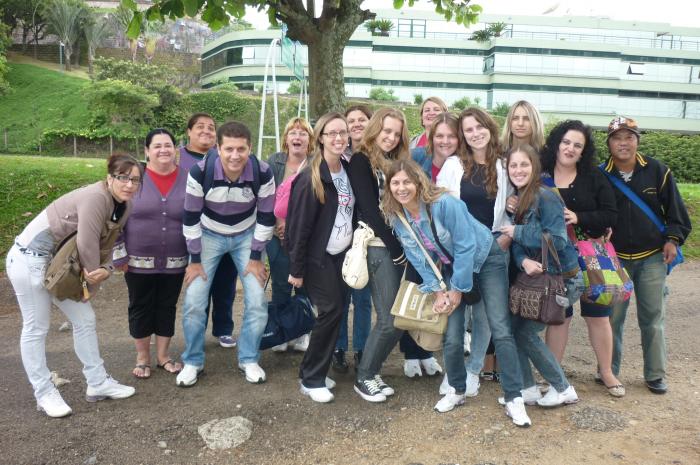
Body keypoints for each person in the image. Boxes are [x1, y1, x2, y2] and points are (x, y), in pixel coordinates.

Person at [7, 153, 140, 418]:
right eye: (122, 177)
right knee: (36, 327)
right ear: (109, 177)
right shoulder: (96, 197)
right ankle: (44, 392)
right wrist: (92, 276)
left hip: (61, 265)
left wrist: (103, 271)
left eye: (135, 180)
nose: (129, 184)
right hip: (29, 259)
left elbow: (107, 244)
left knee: (85, 320)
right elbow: (87, 242)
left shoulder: (124, 206)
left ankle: (97, 382)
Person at [382, 159, 491, 413]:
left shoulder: (444, 204)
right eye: (395, 183)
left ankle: (482, 376)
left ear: (418, 181)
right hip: (451, 266)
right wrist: (439, 291)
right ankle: (456, 387)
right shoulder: (397, 215)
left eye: (406, 181)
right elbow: (417, 256)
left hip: (483, 257)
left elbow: (466, 245)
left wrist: (457, 290)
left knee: (490, 320)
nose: (401, 188)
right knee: (452, 332)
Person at [176, 121, 275, 388]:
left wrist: (256, 257)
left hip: (247, 236)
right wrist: (194, 261)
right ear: (218, 148)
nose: (235, 156)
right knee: (195, 301)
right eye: (229, 149)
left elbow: (267, 218)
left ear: (250, 148)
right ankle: (193, 361)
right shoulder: (200, 171)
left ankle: (249, 358)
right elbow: (190, 218)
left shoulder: (262, 172)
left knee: (257, 300)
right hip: (208, 235)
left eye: (241, 149)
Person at [602, 116, 691, 394]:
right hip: (614, 259)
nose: (623, 143)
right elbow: (593, 211)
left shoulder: (657, 170)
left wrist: (673, 240)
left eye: (629, 137)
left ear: (637, 140)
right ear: (609, 143)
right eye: (617, 138)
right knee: (611, 319)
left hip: (652, 256)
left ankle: (654, 374)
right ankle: (608, 370)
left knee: (652, 318)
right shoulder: (599, 173)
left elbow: (676, 214)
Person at [540, 120, 624, 397]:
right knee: (559, 316)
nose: (570, 148)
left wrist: (580, 218)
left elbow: (611, 214)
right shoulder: (540, 174)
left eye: (577, 145)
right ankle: (554, 374)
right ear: (556, 143)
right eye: (566, 142)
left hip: (590, 256)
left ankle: (607, 372)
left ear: (583, 151)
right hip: (555, 258)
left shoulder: (594, 177)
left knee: (599, 315)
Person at [436, 108, 515, 399]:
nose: (475, 133)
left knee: (484, 317)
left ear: (490, 128)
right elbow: (439, 206)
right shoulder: (454, 164)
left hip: (493, 247)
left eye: (479, 127)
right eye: (468, 130)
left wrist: (506, 235)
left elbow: (517, 204)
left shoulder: (505, 165)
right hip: (459, 249)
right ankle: (453, 371)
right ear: (463, 136)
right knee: (456, 314)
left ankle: (473, 370)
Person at [499, 144, 580, 408]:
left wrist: (516, 232)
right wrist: (522, 261)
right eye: (513, 165)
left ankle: (563, 387)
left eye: (524, 164)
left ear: (534, 167)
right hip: (538, 278)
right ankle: (528, 388)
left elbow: (557, 240)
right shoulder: (520, 197)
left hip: (562, 279)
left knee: (525, 333)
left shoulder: (546, 197)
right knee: (515, 329)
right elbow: (518, 243)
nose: (518, 170)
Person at [285, 112, 356, 403]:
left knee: (335, 313)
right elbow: (297, 228)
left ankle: (314, 370)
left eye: (343, 132)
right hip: (318, 258)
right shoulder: (310, 176)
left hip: (343, 256)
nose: (339, 138)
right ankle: (311, 378)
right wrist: (296, 269)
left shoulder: (347, 169)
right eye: (332, 133)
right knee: (330, 311)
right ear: (321, 138)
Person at [112, 129, 186, 379]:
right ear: (146, 151)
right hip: (136, 260)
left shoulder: (188, 178)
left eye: (168, 145)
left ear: (176, 149)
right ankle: (142, 357)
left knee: (167, 305)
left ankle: (163, 356)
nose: (163, 150)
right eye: (157, 146)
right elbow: (116, 217)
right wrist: (118, 254)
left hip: (176, 259)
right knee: (141, 305)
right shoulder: (133, 178)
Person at [348, 107, 410, 402]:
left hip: (397, 246)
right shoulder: (361, 160)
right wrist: (397, 250)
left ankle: (372, 372)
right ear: (375, 129)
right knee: (390, 319)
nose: (391, 137)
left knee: (399, 318)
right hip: (379, 247)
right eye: (386, 131)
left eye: (396, 133)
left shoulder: (393, 162)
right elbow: (371, 211)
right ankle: (364, 377)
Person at [179, 113, 238, 349]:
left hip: (226, 229)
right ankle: (196, 333)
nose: (206, 131)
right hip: (194, 231)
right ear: (189, 132)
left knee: (226, 283)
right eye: (200, 127)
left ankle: (223, 328)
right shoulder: (178, 158)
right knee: (199, 285)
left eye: (211, 127)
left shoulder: (224, 156)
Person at [332, 105, 374, 372]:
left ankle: (361, 347)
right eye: (351, 121)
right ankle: (337, 347)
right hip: (340, 233)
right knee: (339, 295)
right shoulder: (338, 156)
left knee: (363, 295)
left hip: (367, 234)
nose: (357, 124)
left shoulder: (376, 154)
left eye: (362, 120)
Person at [267, 117, 314, 353]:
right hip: (278, 236)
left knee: (304, 286)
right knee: (280, 285)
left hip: (306, 240)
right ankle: (282, 331)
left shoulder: (316, 163)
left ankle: (304, 330)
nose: (297, 137)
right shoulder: (275, 162)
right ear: (286, 139)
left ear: (310, 139)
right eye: (293, 133)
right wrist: (279, 222)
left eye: (303, 133)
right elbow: (267, 196)